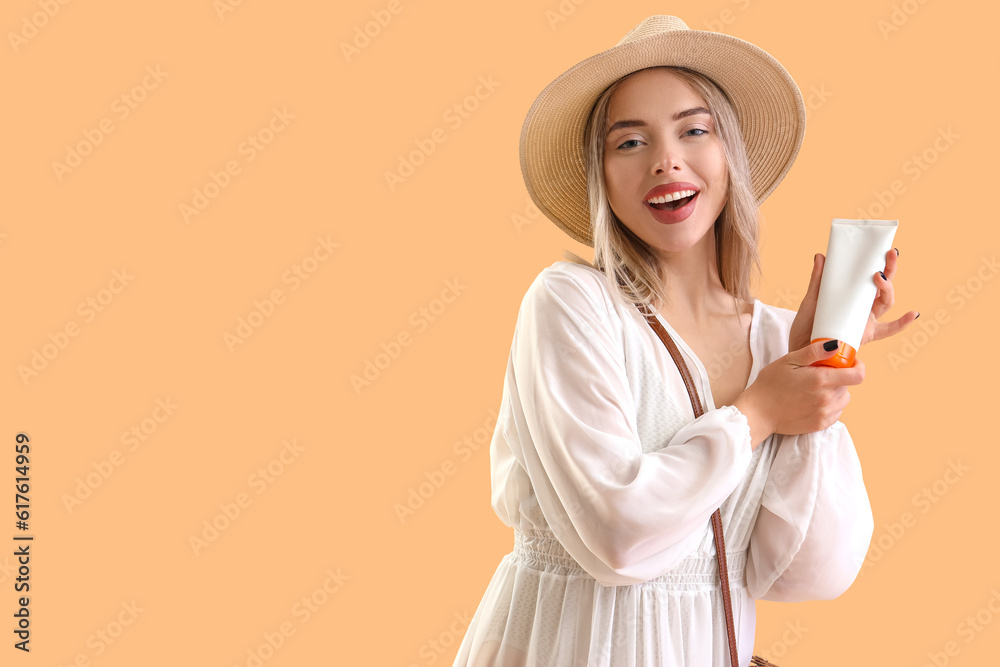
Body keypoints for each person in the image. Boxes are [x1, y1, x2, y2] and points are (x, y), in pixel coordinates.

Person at [452, 15, 917, 667]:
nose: (665, 158)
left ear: (731, 154)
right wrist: (757, 413)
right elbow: (617, 537)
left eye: (694, 130)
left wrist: (817, 384)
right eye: (629, 142)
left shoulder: (772, 339)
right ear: (602, 178)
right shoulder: (571, 305)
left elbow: (809, 572)